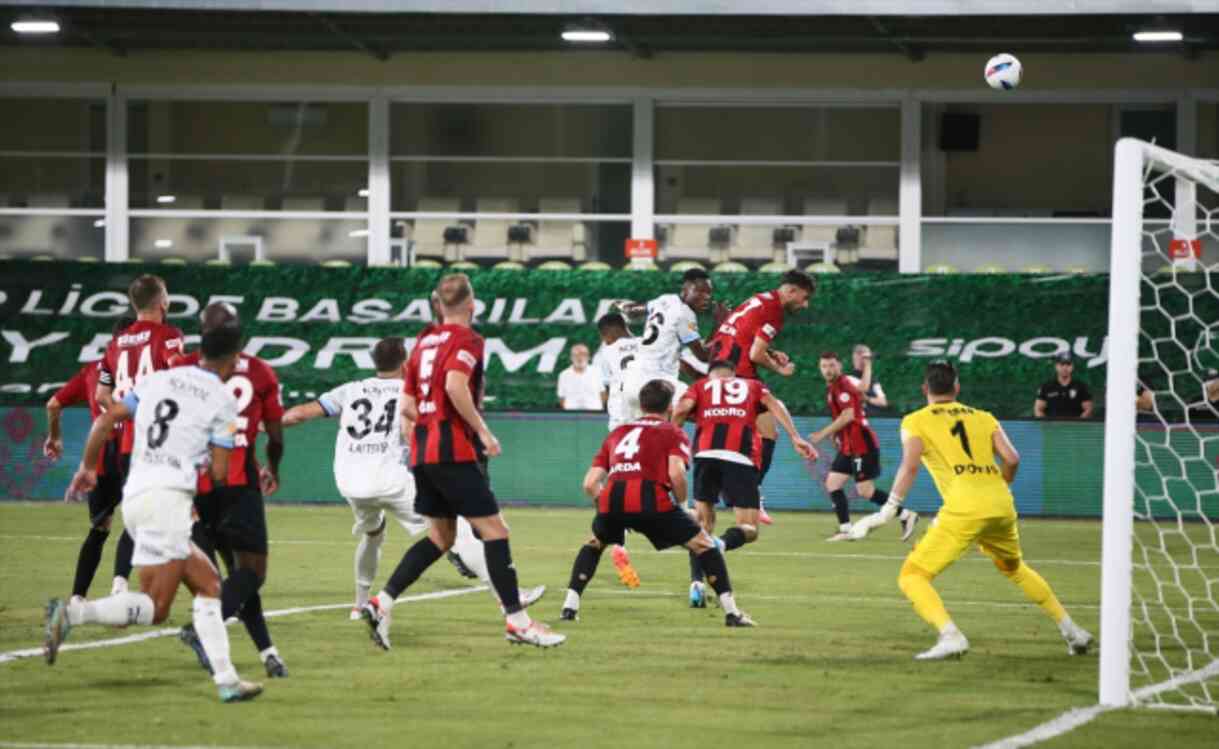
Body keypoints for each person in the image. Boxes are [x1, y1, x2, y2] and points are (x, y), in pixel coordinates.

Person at [46, 302, 263, 702]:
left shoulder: (159, 380)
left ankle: (227, 680)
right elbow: (219, 472)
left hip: (136, 495)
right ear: (234, 358)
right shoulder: (222, 400)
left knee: (209, 584)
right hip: (168, 499)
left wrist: (88, 467)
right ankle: (72, 613)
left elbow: (106, 419)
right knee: (158, 606)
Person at [362, 273, 564, 649]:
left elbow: (407, 407)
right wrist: (482, 432)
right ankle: (518, 622)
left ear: (438, 305)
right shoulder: (468, 339)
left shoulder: (422, 342)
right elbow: (455, 385)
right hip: (452, 450)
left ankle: (381, 602)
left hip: (423, 452)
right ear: (472, 305)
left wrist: (425, 432)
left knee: (441, 538)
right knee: (495, 531)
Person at [283, 336, 543, 620]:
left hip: (349, 482)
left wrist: (265, 424)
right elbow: (415, 431)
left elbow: (298, 414)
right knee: (458, 530)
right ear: (405, 364)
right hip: (389, 480)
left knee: (372, 534)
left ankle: (359, 605)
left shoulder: (350, 390)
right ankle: (509, 598)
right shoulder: (410, 393)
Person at [850, 360, 1093, 660]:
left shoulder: (915, 421)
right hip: (1000, 502)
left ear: (925, 389)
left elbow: (910, 466)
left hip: (964, 507)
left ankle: (951, 636)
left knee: (912, 576)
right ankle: (1073, 631)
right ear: (957, 387)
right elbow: (1012, 459)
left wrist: (889, 508)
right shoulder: (983, 417)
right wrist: (999, 487)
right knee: (1015, 569)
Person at [559, 379, 754, 627]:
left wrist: (607, 506)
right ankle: (732, 613)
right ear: (670, 407)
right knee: (705, 545)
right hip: (651, 500)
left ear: (641, 405)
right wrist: (682, 507)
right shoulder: (672, 432)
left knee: (594, 543)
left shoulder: (617, 433)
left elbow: (589, 484)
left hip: (612, 500)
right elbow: (676, 474)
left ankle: (569, 607)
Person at [175, 309, 288, 679]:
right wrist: (273, 467)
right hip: (237, 484)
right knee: (251, 572)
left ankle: (269, 654)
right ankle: (201, 631)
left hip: (193, 486)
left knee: (229, 579)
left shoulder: (180, 368)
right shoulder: (260, 371)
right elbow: (275, 436)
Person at [672, 360, 816, 607]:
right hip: (738, 459)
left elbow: (681, 410)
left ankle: (696, 583)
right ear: (733, 375)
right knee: (749, 529)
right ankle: (721, 544)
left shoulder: (700, 386)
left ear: (711, 375)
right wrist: (795, 437)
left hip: (705, 456)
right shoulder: (752, 386)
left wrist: (672, 441)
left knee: (703, 524)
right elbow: (775, 405)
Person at [708, 269, 816, 524]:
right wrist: (779, 368)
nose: (805, 304)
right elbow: (755, 354)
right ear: (791, 291)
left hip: (719, 368)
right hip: (738, 373)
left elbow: (745, 335)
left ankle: (739, 492)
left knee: (742, 434)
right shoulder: (774, 311)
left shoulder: (759, 299)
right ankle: (748, 494)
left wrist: (772, 351)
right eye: (804, 297)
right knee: (768, 431)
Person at [44, 315, 137, 604]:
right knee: (138, 521)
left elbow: (53, 404)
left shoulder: (93, 370)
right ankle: (119, 586)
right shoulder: (142, 367)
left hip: (99, 456)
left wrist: (54, 437)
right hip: (130, 450)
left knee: (99, 529)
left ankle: (77, 599)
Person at [810, 352, 918, 542]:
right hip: (848, 446)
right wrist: (836, 435)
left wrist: (822, 433)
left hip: (861, 444)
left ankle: (905, 514)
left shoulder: (843, 385)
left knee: (865, 490)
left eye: (832, 365)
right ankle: (846, 529)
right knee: (832, 484)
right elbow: (859, 394)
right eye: (824, 366)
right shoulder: (835, 386)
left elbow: (848, 415)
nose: (828, 370)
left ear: (839, 366)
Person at [615, 268, 723, 422]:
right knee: (706, 410)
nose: (706, 297)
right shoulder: (685, 313)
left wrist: (625, 306)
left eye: (708, 293)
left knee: (641, 431)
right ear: (686, 288)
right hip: (658, 385)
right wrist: (719, 324)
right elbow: (704, 356)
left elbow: (633, 311)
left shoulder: (665, 299)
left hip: (632, 381)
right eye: (700, 291)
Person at [593, 313, 639, 432]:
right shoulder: (646, 344)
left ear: (606, 334)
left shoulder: (605, 353)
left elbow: (605, 387)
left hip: (621, 412)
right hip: (648, 406)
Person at [1033, 353, 1094, 419]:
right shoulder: (1046, 387)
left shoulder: (1081, 387)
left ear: (1072, 367)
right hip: (1052, 425)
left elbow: (1088, 409)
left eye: (1068, 364)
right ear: (1056, 366)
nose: (1065, 367)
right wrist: (1046, 423)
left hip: (1075, 425)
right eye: (1062, 364)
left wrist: (1077, 423)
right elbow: (1038, 409)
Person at [556, 343, 603, 411]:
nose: (580, 357)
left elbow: (602, 393)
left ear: (588, 357)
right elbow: (561, 397)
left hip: (594, 413)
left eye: (583, 354)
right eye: (576, 355)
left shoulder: (597, 373)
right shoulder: (563, 375)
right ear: (571, 357)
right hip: (571, 413)